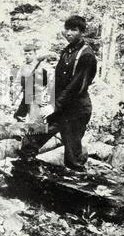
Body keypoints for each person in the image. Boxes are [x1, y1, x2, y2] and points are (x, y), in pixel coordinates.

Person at [18, 15, 97, 171]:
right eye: (67, 29)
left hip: (76, 110)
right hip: (60, 107)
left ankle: (79, 186)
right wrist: (50, 100)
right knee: (32, 139)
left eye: (74, 30)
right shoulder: (66, 52)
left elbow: (76, 87)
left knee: (73, 158)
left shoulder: (86, 55)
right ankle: (27, 176)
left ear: (81, 32)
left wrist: (55, 105)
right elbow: (59, 81)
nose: (69, 33)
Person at [13, 44, 48, 123]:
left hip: (36, 96)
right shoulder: (23, 66)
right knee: (19, 117)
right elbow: (18, 81)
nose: (27, 56)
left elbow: (47, 84)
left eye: (30, 54)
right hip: (26, 95)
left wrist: (43, 97)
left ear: (35, 54)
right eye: (25, 54)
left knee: (36, 122)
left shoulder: (41, 66)